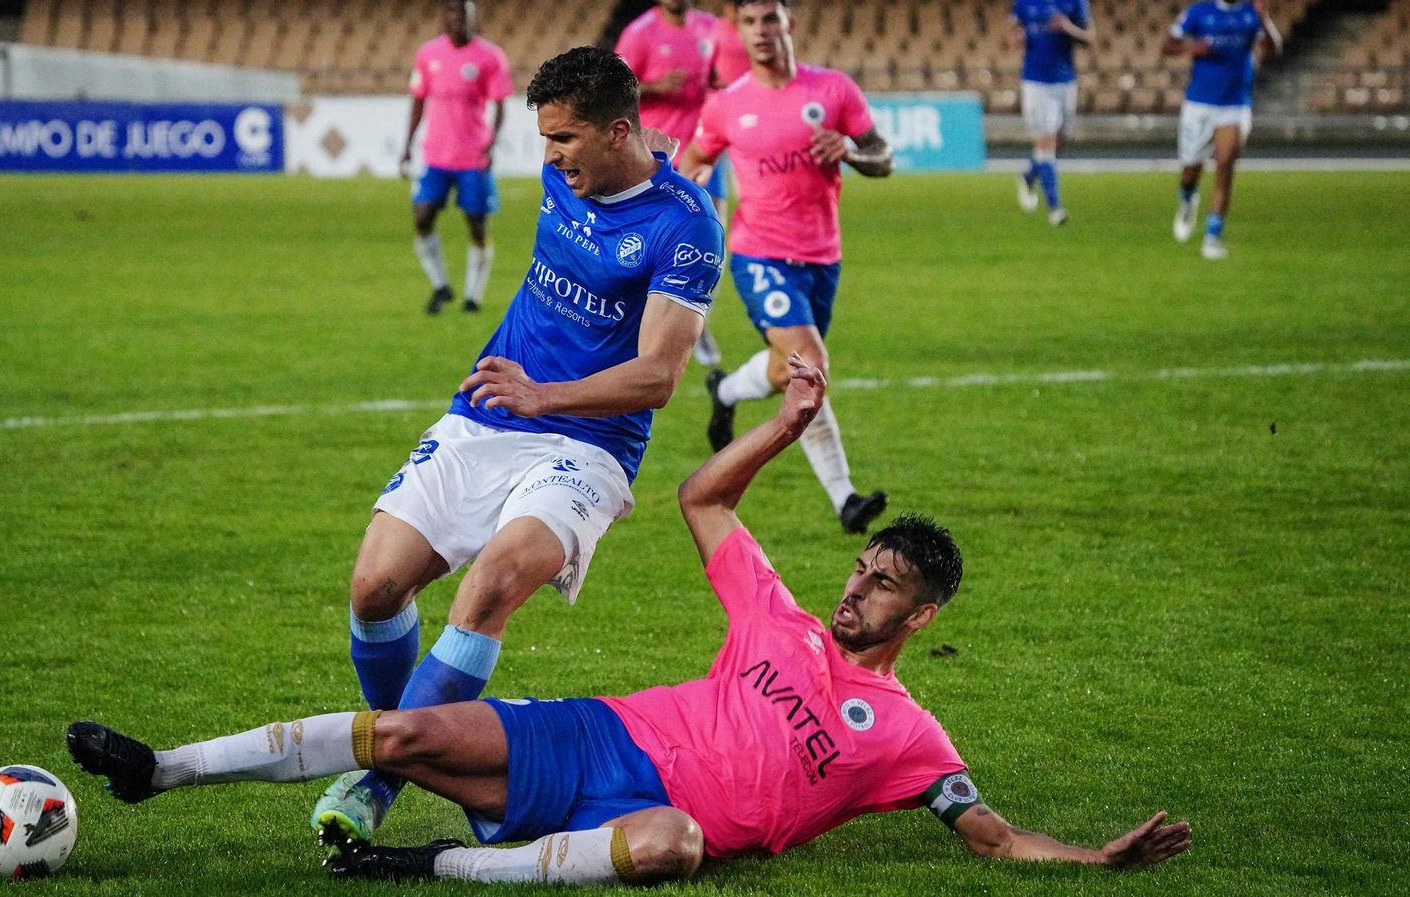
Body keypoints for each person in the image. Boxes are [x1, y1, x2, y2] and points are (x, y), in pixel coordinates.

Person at [66, 356, 1193, 886]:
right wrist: (785, 426)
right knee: (401, 733)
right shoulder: (779, 617)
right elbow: (701, 500)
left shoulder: (907, 736)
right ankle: (159, 771)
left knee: (672, 849)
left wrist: (1096, 856)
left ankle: (426, 864)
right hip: (600, 736)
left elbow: (991, 836)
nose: (856, 589)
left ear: (923, 613)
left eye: (884, 584)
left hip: (652, 815)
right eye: (860, 568)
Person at [314, 45, 724, 850]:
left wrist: (545, 395)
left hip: (589, 443)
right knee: (374, 587)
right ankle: (417, 746)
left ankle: (378, 776)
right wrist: (523, 394)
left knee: (492, 585)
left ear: (615, 132)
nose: (550, 156)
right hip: (490, 410)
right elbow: (631, 152)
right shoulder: (573, 171)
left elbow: (658, 375)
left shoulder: (687, 227)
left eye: (564, 138)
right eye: (545, 139)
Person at [678, 0, 891, 535]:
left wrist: (851, 153)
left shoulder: (834, 90)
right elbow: (694, 162)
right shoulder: (727, 105)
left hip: (822, 258)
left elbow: (882, 157)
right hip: (759, 254)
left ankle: (726, 391)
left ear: (789, 24)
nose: (760, 31)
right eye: (749, 22)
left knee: (784, 369)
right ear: (740, 32)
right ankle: (845, 498)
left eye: (769, 19)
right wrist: (692, 191)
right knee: (810, 363)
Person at [615, 0, 727, 365]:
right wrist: (655, 86)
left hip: (704, 150)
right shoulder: (640, 33)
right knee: (647, 245)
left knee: (712, 240)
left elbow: (723, 77)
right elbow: (613, 90)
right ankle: (637, 320)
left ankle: (696, 322)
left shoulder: (712, 27)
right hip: (656, 153)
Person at [402, 1, 512, 313]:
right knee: (422, 215)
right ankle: (441, 286)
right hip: (435, 155)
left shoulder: (490, 56)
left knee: (477, 224)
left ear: (474, 18)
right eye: (452, 12)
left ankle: (473, 296)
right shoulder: (428, 54)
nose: (458, 19)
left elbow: (500, 104)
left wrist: (490, 145)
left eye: (464, 13)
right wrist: (407, 145)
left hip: (472, 157)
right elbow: (418, 100)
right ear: (444, 17)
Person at [1164, 0, 1282, 260]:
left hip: (1235, 104)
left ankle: (1212, 238)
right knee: (1190, 170)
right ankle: (1188, 199)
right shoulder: (1199, 12)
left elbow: (1273, 49)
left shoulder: (1251, 13)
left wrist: (1264, 20)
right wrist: (1193, 48)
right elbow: (1168, 46)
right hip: (1199, 103)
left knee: (1225, 165)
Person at [1011, 0, 1095, 227]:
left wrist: (1067, 27)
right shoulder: (1024, 3)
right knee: (1046, 144)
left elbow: (1089, 38)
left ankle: (1028, 176)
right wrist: (1017, 39)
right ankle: (1055, 208)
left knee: (1059, 142)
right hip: (1036, 83)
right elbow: (1014, 30)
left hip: (1066, 80)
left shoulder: (1076, 2)